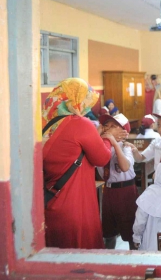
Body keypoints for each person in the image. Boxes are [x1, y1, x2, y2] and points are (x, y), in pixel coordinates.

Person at [42, 78, 114, 249]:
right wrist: (107, 139)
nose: (87, 107)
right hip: (75, 203)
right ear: (74, 100)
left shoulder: (46, 125)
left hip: (51, 202)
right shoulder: (80, 123)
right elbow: (102, 158)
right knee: (81, 258)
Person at [97, 113, 137, 250]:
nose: (107, 130)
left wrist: (114, 142)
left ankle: (135, 262)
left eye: (113, 127)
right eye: (106, 126)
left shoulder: (126, 147)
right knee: (108, 233)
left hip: (125, 192)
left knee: (130, 232)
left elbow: (125, 166)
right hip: (108, 191)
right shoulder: (99, 146)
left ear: (123, 132)